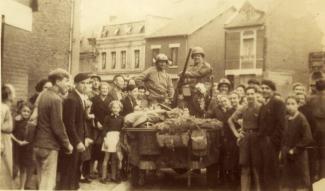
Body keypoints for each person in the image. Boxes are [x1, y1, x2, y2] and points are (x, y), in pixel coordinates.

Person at [33, 68, 73, 190]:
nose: (68, 84)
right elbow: (58, 126)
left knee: (41, 180)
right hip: (49, 146)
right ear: (57, 81)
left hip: (37, 144)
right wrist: (67, 144)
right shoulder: (56, 99)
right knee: (48, 183)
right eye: (66, 81)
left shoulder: (42, 95)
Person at [58, 73, 93, 190]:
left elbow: (82, 121)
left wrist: (86, 137)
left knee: (76, 167)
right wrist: (77, 141)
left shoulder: (80, 98)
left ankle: (73, 187)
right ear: (76, 84)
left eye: (87, 83)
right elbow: (69, 124)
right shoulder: (72, 99)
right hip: (72, 141)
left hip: (79, 138)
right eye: (82, 83)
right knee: (69, 168)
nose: (85, 86)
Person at [228, 86, 262, 191]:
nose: (250, 96)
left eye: (252, 93)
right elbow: (230, 120)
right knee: (245, 167)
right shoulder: (243, 107)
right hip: (245, 138)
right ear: (245, 96)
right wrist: (237, 134)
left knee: (257, 168)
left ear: (256, 94)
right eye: (248, 94)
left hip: (257, 138)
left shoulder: (261, 107)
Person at [257, 79, 286, 191]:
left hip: (271, 143)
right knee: (264, 170)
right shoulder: (264, 104)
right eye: (263, 88)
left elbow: (281, 125)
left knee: (272, 172)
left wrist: (273, 141)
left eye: (267, 88)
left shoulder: (278, 103)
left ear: (273, 90)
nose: (264, 90)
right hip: (263, 142)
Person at [281, 96, 313, 191]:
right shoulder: (286, 118)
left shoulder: (301, 119)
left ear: (298, 105)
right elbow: (284, 136)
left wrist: (295, 149)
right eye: (288, 104)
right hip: (287, 154)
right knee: (288, 182)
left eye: (293, 104)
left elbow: (308, 138)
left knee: (301, 183)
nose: (290, 106)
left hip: (299, 155)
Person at [89, 82, 112, 178]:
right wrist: (96, 121)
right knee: (95, 146)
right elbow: (91, 112)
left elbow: (112, 113)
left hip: (107, 126)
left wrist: (106, 125)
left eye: (106, 88)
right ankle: (90, 171)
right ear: (99, 89)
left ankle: (100, 170)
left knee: (104, 147)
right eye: (103, 88)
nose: (104, 90)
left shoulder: (111, 100)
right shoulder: (94, 99)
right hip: (96, 127)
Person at [12, 101, 35, 189]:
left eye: (28, 112)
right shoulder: (16, 121)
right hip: (16, 147)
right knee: (14, 167)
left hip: (26, 149)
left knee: (23, 168)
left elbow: (30, 138)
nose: (26, 113)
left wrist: (24, 142)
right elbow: (10, 132)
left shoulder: (31, 124)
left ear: (31, 113)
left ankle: (21, 187)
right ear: (20, 111)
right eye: (24, 111)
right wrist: (17, 141)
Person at [100, 101, 124, 183]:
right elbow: (104, 130)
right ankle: (104, 177)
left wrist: (121, 140)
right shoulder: (107, 118)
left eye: (117, 107)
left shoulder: (121, 118)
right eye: (114, 107)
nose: (115, 109)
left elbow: (122, 130)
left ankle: (113, 176)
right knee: (106, 157)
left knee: (115, 158)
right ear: (111, 108)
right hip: (109, 138)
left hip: (117, 138)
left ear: (120, 109)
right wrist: (105, 140)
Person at [306, 79, 325, 179]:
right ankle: (322, 177)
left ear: (316, 88)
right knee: (323, 156)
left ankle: (314, 177)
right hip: (324, 129)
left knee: (313, 154)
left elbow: (308, 114)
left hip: (313, 129)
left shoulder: (310, 99)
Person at [0, 84, 16, 189]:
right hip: (3, 140)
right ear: (8, 94)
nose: (14, 95)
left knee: (8, 168)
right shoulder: (3, 107)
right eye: (13, 92)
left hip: (7, 139)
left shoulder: (6, 107)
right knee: (4, 169)